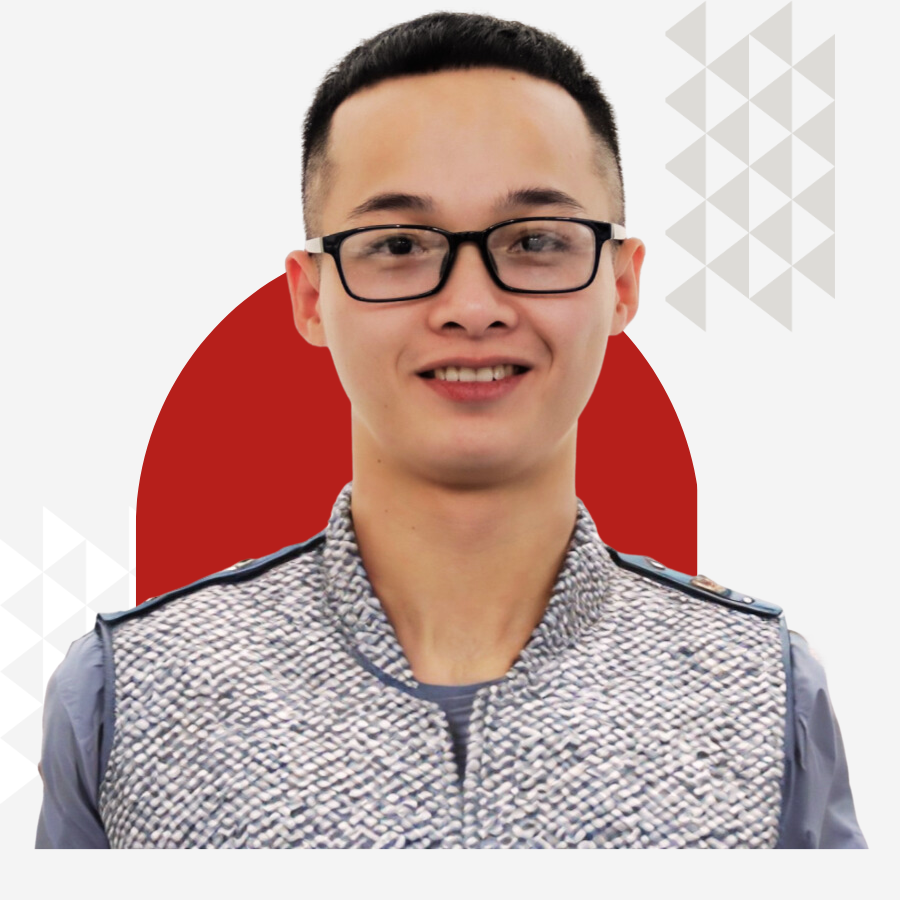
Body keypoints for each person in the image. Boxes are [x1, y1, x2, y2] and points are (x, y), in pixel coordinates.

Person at [35, 12, 865, 849]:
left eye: (536, 240)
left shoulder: (766, 690)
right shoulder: (125, 695)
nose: (471, 307)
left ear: (621, 284)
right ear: (312, 297)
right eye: (399, 243)